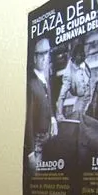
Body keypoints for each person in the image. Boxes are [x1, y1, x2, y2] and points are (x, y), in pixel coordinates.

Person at [25, 37, 58, 165]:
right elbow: (28, 119)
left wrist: (53, 118)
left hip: (48, 139)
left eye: (47, 53)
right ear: (34, 58)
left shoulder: (45, 80)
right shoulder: (31, 84)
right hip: (37, 143)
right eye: (41, 55)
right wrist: (31, 152)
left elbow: (48, 101)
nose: (45, 58)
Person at [56, 41, 93, 120]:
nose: (82, 56)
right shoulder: (68, 74)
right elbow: (62, 96)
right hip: (82, 101)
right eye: (80, 55)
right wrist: (59, 114)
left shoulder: (84, 64)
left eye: (83, 54)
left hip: (92, 97)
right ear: (74, 56)